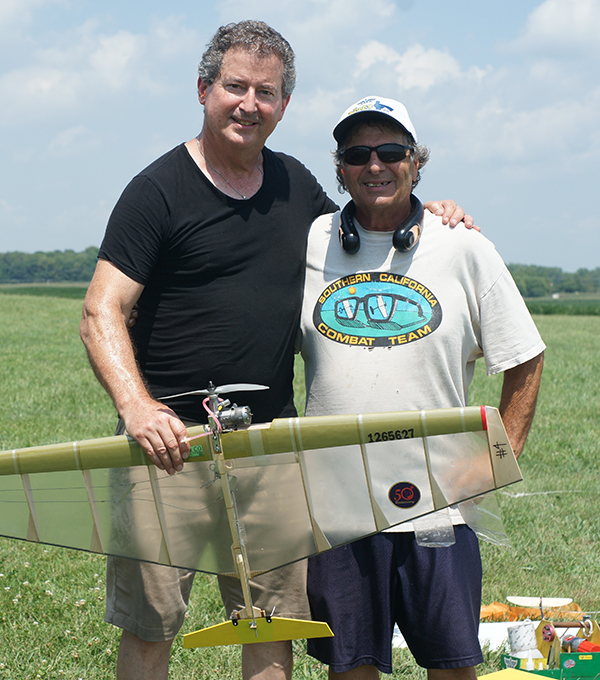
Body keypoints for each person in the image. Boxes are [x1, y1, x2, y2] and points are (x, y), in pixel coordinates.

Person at [80, 20, 474, 680]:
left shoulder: (296, 187)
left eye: (266, 92)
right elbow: (102, 310)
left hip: (267, 448)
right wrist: (139, 408)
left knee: (272, 624)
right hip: (165, 448)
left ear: (283, 106)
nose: (248, 104)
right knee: (153, 628)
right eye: (235, 87)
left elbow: (368, 225)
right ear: (204, 90)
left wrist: (429, 211)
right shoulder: (157, 191)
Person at [298, 96, 545, 680]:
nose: (375, 165)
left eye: (391, 151)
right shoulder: (309, 240)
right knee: (350, 669)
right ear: (340, 168)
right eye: (359, 154)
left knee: (452, 667)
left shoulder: (463, 246)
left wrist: (492, 464)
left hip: (439, 509)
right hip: (336, 508)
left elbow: (524, 358)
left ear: (416, 162)